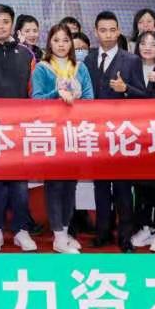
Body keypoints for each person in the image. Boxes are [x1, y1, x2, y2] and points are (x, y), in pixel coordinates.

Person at [0, 3, 36, 252]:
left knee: (19, 184)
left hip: (19, 128)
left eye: (6, 22)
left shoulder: (26, 54)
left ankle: (21, 230)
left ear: (12, 24)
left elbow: (34, 91)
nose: (1, 26)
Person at [31, 23, 92, 254]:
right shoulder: (42, 68)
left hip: (75, 133)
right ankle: (58, 235)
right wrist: (56, 94)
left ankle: (65, 232)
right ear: (49, 43)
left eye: (65, 40)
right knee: (54, 185)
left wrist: (77, 97)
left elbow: (91, 99)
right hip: (51, 134)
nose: (61, 45)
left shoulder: (80, 68)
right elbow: (36, 100)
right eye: (56, 40)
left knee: (70, 184)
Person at [89, 11, 145, 250]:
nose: (108, 35)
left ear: (119, 31)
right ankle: (102, 232)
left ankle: (125, 236)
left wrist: (126, 89)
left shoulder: (131, 60)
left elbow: (143, 96)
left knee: (123, 188)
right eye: (103, 30)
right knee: (100, 187)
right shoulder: (88, 59)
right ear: (96, 32)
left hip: (122, 134)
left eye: (112, 30)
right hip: (96, 134)